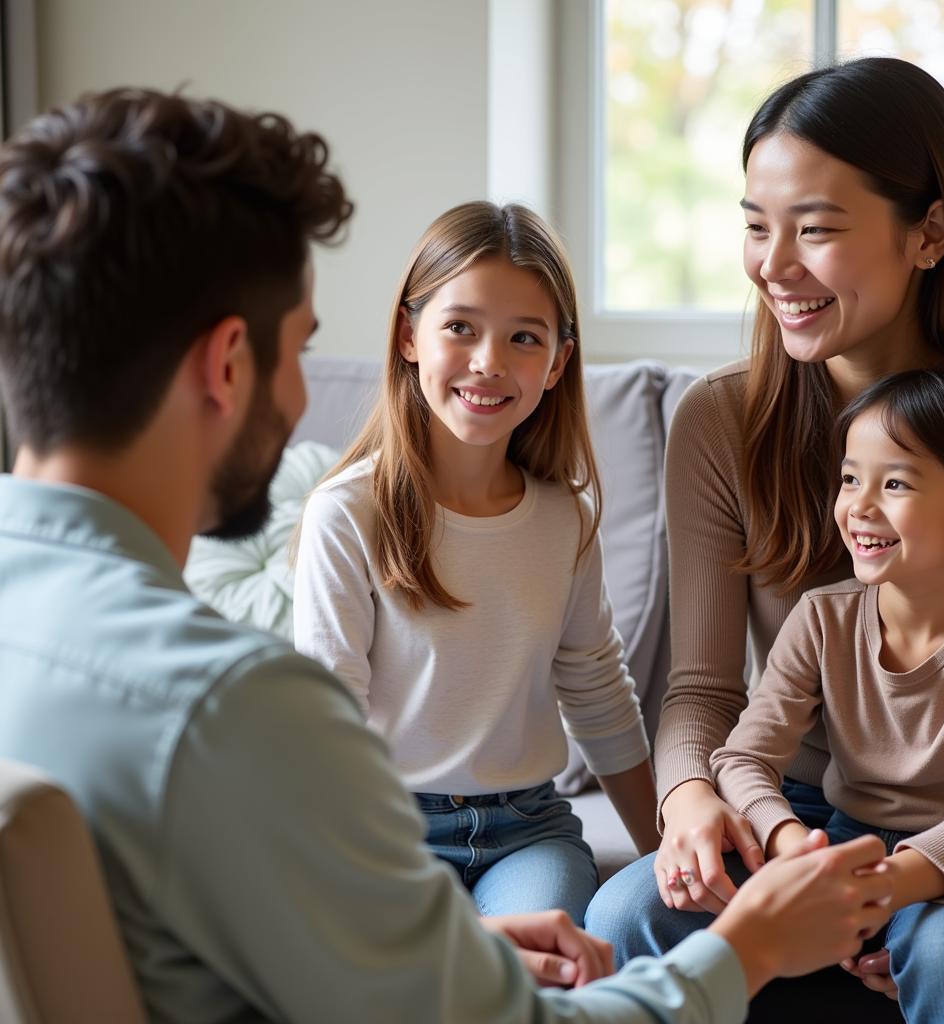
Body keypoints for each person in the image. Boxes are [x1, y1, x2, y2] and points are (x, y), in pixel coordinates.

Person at [0, 87, 895, 1024]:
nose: (308, 384)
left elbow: (257, 953)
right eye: (301, 346)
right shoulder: (230, 711)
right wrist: (748, 949)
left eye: (522, 339)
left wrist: (436, 945)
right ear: (229, 364)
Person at [586, 55, 944, 1002]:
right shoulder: (721, 422)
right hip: (796, 806)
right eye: (755, 227)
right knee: (626, 915)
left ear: (930, 233)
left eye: (816, 230)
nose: (773, 268)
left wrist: (909, 873)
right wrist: (694, 797)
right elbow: (701, 688)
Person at [292, 200, 658, 925]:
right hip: (386, 827)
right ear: (409, 335)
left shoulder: (562, 519)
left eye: (524, 338)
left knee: (539, 961)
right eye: (460, 326)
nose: (489, 362)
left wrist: (660, 851)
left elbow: (597, 691)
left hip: (526, 833)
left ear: (557, 364)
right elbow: (327, 718)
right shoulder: (347, 513)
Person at [706, 367, 944, 1023]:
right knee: (630, 911)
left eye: (896, 483)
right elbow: (742, 758)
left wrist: (889, 884)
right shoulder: (823, 619)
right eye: (851, 478)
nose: (858, 505)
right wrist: (790, 842)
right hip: (840, 842)